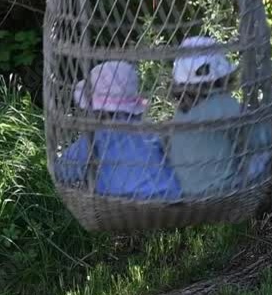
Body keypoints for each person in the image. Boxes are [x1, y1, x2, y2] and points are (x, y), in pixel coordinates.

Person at [54, 61, 181, 200]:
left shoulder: (98, 135)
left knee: (93, 171)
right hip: (167, 194)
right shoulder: (147, 128)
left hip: (122, 201)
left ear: (97, 110)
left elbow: (65, 170)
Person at [168, 36, 272, 195]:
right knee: (264, 155)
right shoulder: (224, 105)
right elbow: (260, 138)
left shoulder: (181, 113)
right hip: (224, 191)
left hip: (190, 192)